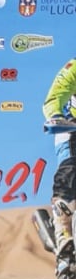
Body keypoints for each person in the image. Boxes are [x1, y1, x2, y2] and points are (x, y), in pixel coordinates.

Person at [43, 58, 76, 258]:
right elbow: (55, 97)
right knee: (69, 170)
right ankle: (63, 228)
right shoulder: (74, 68)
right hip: (72, 126)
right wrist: (56, 115)